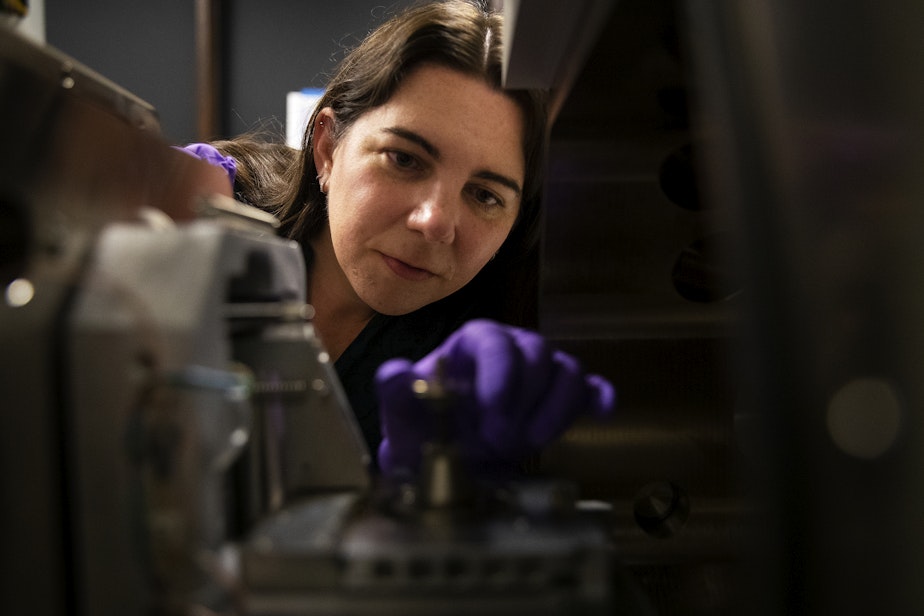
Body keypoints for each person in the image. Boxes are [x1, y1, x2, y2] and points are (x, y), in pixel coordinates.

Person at [183, 0, 614, 478]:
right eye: (404, 159)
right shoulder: (212, 204)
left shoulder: (469, 365)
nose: (433, 221)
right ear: (327, 149)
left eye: (485, 195)